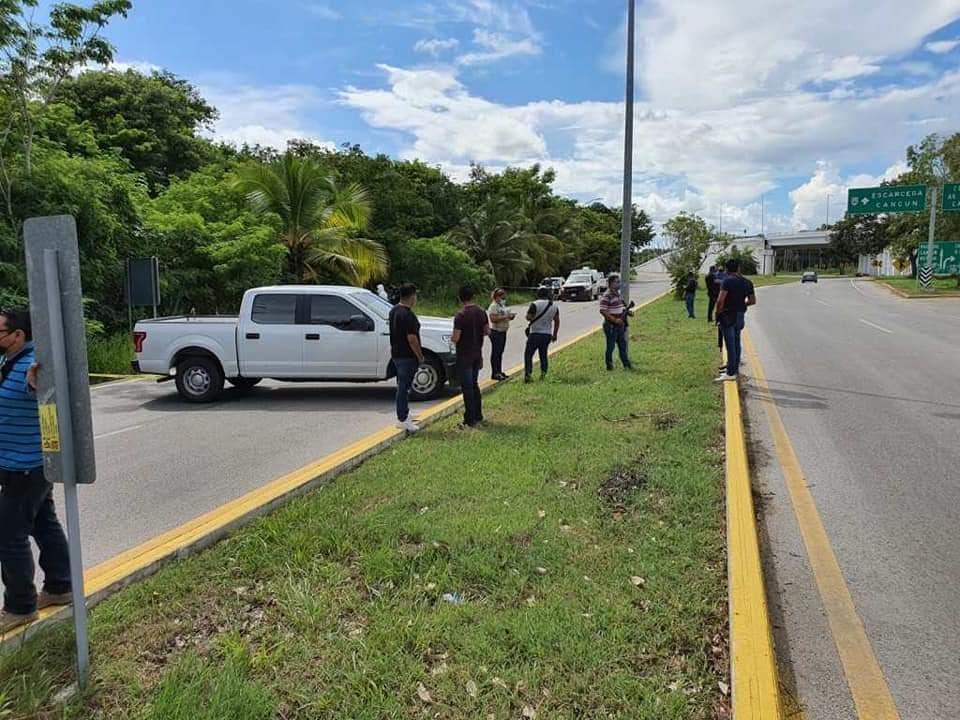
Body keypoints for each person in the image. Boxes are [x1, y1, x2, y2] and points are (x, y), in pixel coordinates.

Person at [0, 309, 73, 633]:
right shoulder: (8, 361)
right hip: (19, 464)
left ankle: (21, 607)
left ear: (18, 335)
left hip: (27, 466)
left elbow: (45, 394)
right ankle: (60, 586)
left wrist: (39, 383)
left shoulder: (34, 367)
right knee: (44, 523)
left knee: (9, 535)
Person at [452, 286, 489, 428]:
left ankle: (470, 419)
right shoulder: (481, 312)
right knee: (474, 385)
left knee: (467, 388)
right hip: (476, 354)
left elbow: (456, 337)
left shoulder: (460, 315)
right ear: (473, 297)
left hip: (464, 355)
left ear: (460, 298)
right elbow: (487, 331)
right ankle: (478, 415)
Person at [389, 284, 424, 432]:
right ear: (411, 297)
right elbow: (412, 339)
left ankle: (405, 412)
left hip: (397, 354)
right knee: (404, 387)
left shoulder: (394, 311)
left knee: (403, 386)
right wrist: (420, 356)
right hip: (407, 356)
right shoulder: (408, 315)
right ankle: (402, 419)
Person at [714, 259, 756, 382]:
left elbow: (720, 300)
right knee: (737, 342)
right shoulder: (747, 282)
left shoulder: (727, 282)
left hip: (728, 315)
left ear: (726, 270)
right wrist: (741, 305)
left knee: (730, 344)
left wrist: (718, 313)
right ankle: (734, 367)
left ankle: (730, 373)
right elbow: (752, 301)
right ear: (738, 268)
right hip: (740, 315)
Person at [523, 287, 560, 383]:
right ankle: (543, 374)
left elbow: (529, 317)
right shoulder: (554, 306)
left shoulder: (535, 304)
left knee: (528, 355)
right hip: (547, 334)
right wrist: (555, 334)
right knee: (543, 355)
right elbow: (557, 321)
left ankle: (528, 375)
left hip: (535, 333)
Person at [599, 274, 633, 371]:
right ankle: (609, 366)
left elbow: (620, 308)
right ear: (611, 283)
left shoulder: (617, 295)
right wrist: (614, 320)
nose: (619, 284)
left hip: (620, 325)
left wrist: (627, 312)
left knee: (622, 345)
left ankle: (626, 364)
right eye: (617, 282)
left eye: (619, 282)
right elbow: (603, 310)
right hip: (611, 325)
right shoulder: (607, 295)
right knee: (611, 346)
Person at [487, 288, 515, 381]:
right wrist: (505, 316)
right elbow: (493, 319)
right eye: (502, 297)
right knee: (496, 352)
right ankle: (495, 372)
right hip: (496, 332)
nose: (503, 299)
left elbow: (503, 315)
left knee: (500, 352)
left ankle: (499, 370)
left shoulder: (501, 305)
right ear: (497, 297)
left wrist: (510, 317)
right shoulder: (493, 306)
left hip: (503, 331)